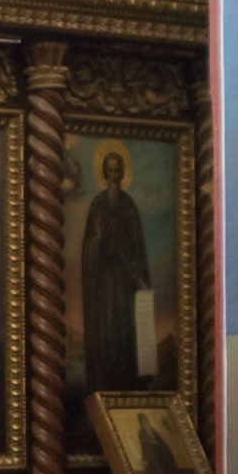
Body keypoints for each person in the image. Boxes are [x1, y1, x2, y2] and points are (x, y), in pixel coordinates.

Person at [81, 150, 150, 393]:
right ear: (104, 174)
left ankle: (127, 381)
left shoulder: (129, 205)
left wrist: (139, 275)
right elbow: (89, 249)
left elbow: (137, 246)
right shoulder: (98, 206)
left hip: (126, 281)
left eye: (117, 171)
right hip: (104, 283)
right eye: (109, 171)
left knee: (126, 330)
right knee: (107, 328)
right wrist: (98, 239)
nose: (113, 176)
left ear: (122, 174)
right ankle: (106, 381)